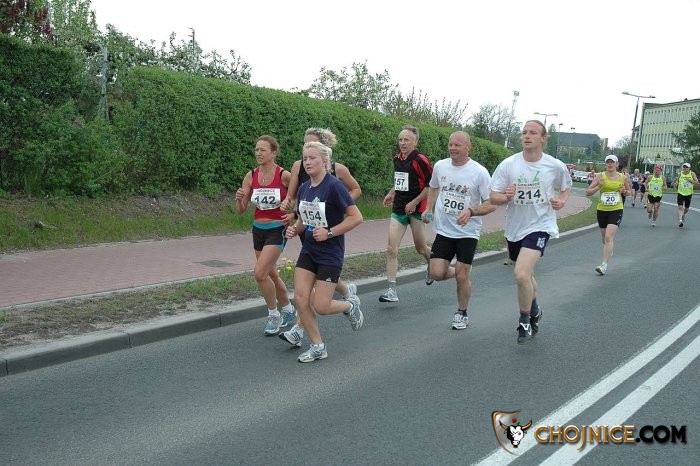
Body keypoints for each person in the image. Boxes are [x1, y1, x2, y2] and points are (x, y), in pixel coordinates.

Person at [489, 120, 572, 345]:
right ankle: (535, 309)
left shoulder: (554, 165)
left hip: (541, 225)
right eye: (524, 132)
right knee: (526, 276)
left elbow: (566, 187)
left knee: (521, 274)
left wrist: (562, 201)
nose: (527, 136)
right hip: (515, 228)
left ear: (543, 138)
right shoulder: (509, 165)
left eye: (533, 132)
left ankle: (524, 321)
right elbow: (493, 197)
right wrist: (506, 196)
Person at [279, 128, 362, 347]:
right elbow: (303, 218)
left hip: (330, 252)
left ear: (324, 161)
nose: (307, 162)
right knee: (300, 299)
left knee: (321, 306)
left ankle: (350, 305)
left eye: (312, 158)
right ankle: (317, 346)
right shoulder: (304, 188)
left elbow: (357, 218)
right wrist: (295, 229)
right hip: (309, 250)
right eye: (305, 158)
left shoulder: (335, 186)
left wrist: (330, 232)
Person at [421, 131, 495, 329]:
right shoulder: (440, 166)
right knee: (436, 273)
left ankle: (461, 313)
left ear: (468, 147)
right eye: (450, 144)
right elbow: (433, 187)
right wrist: (429, 208)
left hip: (467, 232)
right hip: (444, 230)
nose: (452, 148)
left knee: (462, 276)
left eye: (457, 145)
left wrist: (471, 211)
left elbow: (492, 203)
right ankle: (462, 271)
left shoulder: (479, 172)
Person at [234, 135, 296, 335]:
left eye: (263, 150)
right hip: (258, 230)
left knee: (260, 273)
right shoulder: (251, 175)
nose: (258, 153)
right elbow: (241, 210)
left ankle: (273, 314)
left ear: (273, 153)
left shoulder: (284, 175)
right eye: (256, 149)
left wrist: (292, 213)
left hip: (277, 229)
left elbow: (300, 196)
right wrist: (239, 199)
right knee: (271, 273)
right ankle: (288, 310)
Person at [379, 124, 434, 303]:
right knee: (391, 249)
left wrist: (415, 202)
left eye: (407, 140)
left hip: (417, 210)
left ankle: (432, 264)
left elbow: (431, 186)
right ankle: (391, 290)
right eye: (400, 140)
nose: (402, 143)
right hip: (399, 209)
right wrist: (391, 193)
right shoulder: (397, 159)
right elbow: (400, 181)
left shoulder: (420, 160)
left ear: (415, 142)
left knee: (420, 248)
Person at [585, 154, 631, 275]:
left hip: (616, 209)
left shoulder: (623, 177)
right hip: (602, 210)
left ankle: (604, 265)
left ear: (617, 164)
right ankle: (609, 250)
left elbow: (629, 192)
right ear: (605, 164)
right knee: (604, 238)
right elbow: (588, 192)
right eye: (608, 162)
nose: (610, 164)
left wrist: (624, 192)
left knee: (608, 237)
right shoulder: (600, 176)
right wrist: (598, 187)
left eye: (612, 162)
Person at [672, 162, 699, 228]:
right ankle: (680, 221)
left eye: (686, 167)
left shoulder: (692, 174)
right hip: (680, 192)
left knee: (686, 209)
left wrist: (690, 180)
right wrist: (676, 184)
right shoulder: (680, 173)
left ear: (689, 168)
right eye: (684, 167)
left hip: (689, 193)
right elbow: (677, 181)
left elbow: (697, 182)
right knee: (680, 207)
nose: (685, 168)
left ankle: (683, 214)